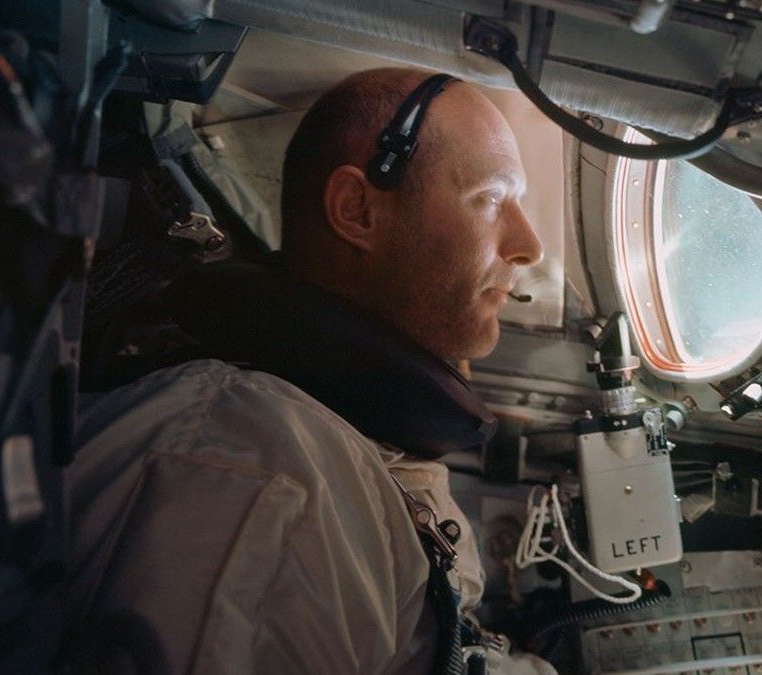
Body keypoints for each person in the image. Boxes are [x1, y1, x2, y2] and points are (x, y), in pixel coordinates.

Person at [64, 68, 552, 674]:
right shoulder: (257, 474)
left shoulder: (355, 438)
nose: (530, 246)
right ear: (356, 211)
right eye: (489, 201)